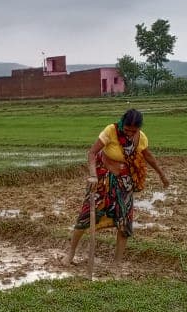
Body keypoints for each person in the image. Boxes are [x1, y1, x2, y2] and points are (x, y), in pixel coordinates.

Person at [63, 109, 169, 265]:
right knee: (86, 216)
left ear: (138, 129)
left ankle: (117, 263)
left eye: (133, 131)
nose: (129, 134)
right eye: (126, 130)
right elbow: (92, 153)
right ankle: (70, 254)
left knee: (124, 222)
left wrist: (161, 174)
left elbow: (148, 156)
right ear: (122, 123)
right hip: (102, 179)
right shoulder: (111, 131)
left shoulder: (141, 138)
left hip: (124, 183)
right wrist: (93, 175)